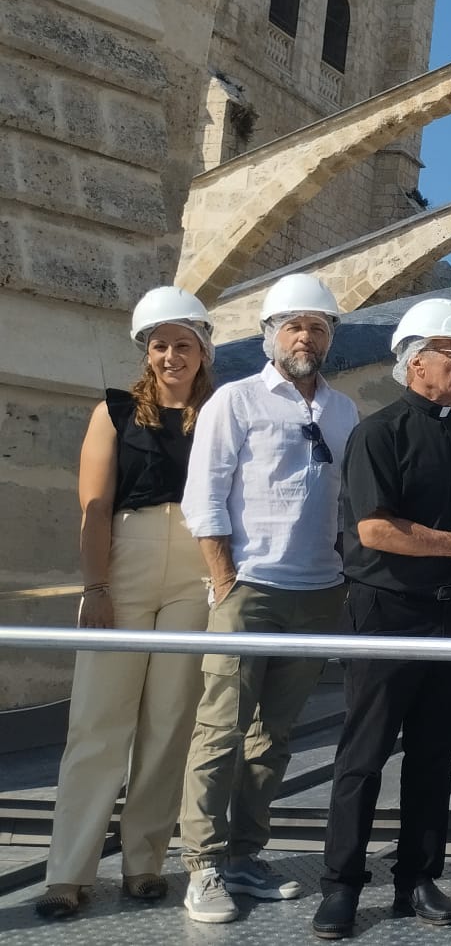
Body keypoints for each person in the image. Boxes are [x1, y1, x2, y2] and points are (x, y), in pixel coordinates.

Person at [313, 300, 451, 939]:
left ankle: (417, 878)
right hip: (388, 612)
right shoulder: (377, 434)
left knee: (436, 753)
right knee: (364, 754)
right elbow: (375, 529)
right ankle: (342, 885)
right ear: (414, 361)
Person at [179, 273, 358, 925]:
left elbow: (347, 502)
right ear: (268, 335)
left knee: (272, 738)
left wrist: (339, 573)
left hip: (316, 594)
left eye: (316, 325)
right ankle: (203, 866)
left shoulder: (343, 411)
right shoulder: (236, 400)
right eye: (293, 325)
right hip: (249, 589)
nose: (305, 335)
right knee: (218, 730)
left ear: (330, 336)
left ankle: (247, 857)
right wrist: (225, 581)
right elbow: (204, 498)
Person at [34, 289, 217, 920]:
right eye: (161, 345)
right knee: (97, 722)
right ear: (147, 351)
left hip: (194, 567)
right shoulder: (112, 411)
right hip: (128, 558)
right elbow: (93, 504)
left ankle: (144, 863)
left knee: (170, 725)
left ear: (203, 350)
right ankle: (68, 871)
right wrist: (96, 586)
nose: (172, 356)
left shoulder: (220, 411)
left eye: (184, 345)